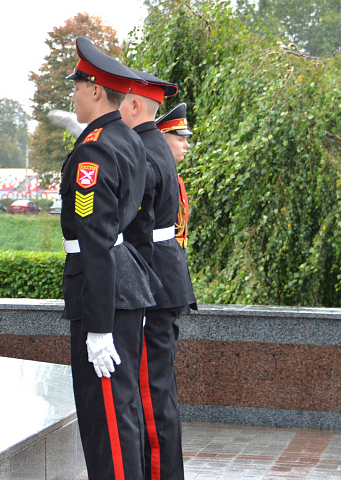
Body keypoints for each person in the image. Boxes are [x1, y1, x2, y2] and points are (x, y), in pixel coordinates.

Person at [60, 36, 156, 480]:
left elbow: (95, 240)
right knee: (124, 413)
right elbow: (138, 231)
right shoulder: (130, 140)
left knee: (107, 425)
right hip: (124, 289)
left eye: (77, 86)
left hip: (103, 296)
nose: (73, 95)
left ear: (96, 90)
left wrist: (99, 326)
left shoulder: (95, 149)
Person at [120, 78, 196, 480]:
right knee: (159, 391)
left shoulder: (147, 155)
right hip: (167, 280)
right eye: (180, 136)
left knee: (151, 393)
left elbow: (136, 228)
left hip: (155, 283)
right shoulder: (154, 151)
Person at [157, 103, 193, 249]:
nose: (187, 145)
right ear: (162, 140)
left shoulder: (175, 177)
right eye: (180, 139)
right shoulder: (159, 177)